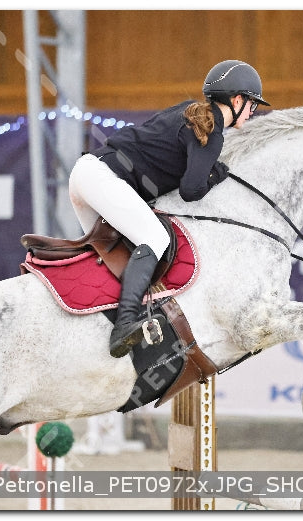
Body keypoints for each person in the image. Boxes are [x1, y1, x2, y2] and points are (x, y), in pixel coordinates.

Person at [68, 60, 270, 358]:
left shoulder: (189, 110)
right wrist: (217, 174)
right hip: (103, 180)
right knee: (155, 239)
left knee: (113, 258)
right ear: (237, 100)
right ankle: (124, 325)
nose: (253, 112)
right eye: (252, 105)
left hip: (86, 175)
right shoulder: (212, 131)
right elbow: (191, 190)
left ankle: (90, 331)